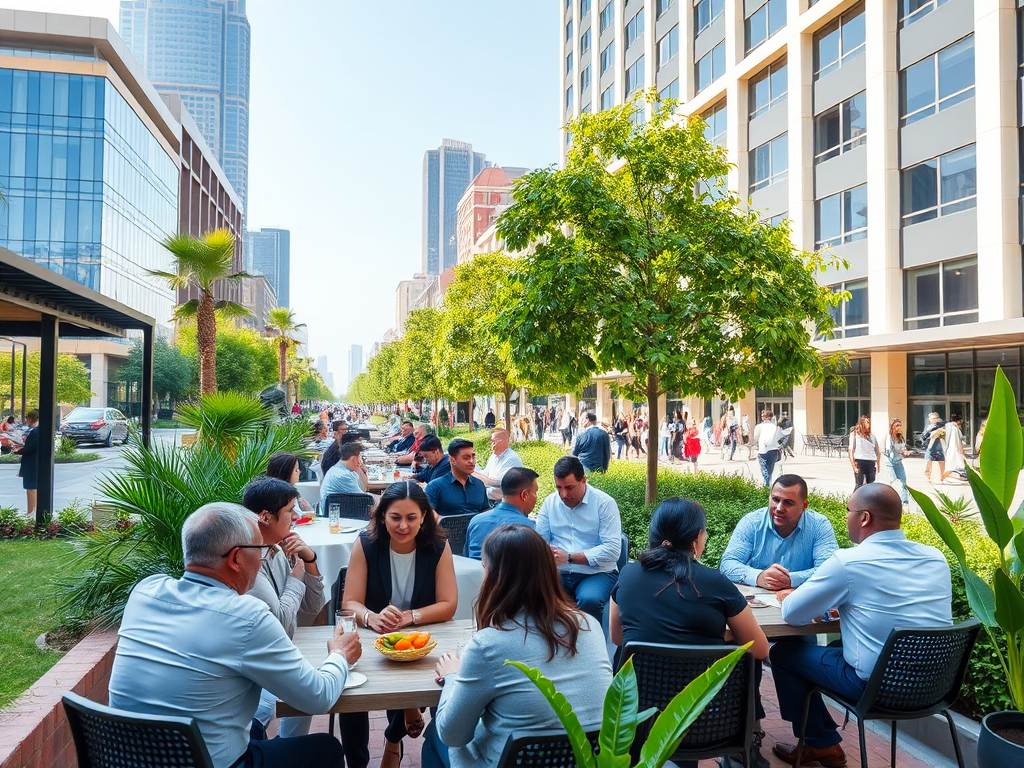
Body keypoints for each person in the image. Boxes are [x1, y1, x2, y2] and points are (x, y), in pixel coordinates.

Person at [107, 503, 360, 768]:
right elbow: (317, 697)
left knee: (255, 732)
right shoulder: (247, 617)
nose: (264, 557)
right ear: (236, 559)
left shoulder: (145, 591)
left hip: (128, 759)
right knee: (325, 748)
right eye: (261, 550)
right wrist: (339, 654)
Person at [770, 483, 952, 766]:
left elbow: (793, 614)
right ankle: (821, 737)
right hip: (937, 687)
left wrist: (789, 595)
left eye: (848, 511)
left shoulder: (849, 562)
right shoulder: (936, 558)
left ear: (865, 518)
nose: (846, 518)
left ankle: (821, 743)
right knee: (834, 646)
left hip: (877, 688)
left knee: (784, 654)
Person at [423, 525, 612, 768]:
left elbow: (452, 734)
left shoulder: (487, 645)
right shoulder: (589, 625)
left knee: (435, 733)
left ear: (492, 575)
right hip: (587, 762)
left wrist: (452, 676)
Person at [610, 499, 770, 768]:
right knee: (747, 658)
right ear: (696, 539)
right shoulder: (715, 581)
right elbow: (761, 649)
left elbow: (618, 638)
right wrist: (720, 639)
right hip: (705, 720)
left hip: (638, 718)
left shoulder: (628, 575)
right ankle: (745, 747)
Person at [341, 481, 458, 768]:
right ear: (382, 516)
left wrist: (410, 617)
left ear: (424, 518)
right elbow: (350, 602)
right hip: (375, 636)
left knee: (437, 675)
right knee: (349, 690)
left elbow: (448, 604)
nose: (403, 526)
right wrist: (371, 617)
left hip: (421, 637)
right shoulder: (366, 543)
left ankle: (394, 737)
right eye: (395, 517)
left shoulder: (438, 546)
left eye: (411, 518)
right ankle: (361, 759)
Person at [243, 478, 325, 739]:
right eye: (290, 510)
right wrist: (295, 579)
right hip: (254, 665)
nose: (296, 516)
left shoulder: (277, 551)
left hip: (275, 654)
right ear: (266, 517)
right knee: (307, 688)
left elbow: (312, 607)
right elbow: (280, 624)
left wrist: (309, 560)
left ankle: (285, 745)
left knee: (308, 685)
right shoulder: (250, 560)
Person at [719, 474, 839, 590]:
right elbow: (727, 564)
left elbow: (830, 571)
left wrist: (791, 579)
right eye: (776, 500)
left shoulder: (819, 526)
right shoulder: (751, 522)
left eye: (788, 503)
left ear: (804, 505)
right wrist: (758, 576)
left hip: (800, 603)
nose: (779, 508)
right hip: (755, 604)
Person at [536, 456, 622, 619]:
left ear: (583, 480)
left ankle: (589, 642)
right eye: (559, 487)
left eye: (569, 487)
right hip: (558, 571)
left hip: (596, 572)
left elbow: (612, 551)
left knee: (589, 599)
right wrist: (546, 551)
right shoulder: (549, 502)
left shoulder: (604, 503)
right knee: (532, 593)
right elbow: (540, 541)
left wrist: (569, 558)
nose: (563, 494)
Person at [466, 467, 539, 560]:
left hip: (475, 574)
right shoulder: (529, 528)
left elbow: (467, 556)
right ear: (524, 495)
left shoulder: (476, 521)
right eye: (535, 493)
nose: (536, 498)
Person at [425, 438, 490, 517]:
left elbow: (485, 511)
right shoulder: (435, 487)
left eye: (473, 457)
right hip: (447, 528)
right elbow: (427, 514)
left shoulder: (479, 485)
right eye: (466, 458)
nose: (472, 461)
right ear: (452, 460)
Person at [472, 429, 523, 501]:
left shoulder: (512, 459)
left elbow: (496, 483)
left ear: (502, 442)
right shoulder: (494, 456)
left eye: (493, 442)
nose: (491, 445)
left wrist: (471, 472)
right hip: (493, 496)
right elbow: (485, 474)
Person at [14, 409, 39, 521]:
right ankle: (33, 512)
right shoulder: (40, 430)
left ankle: (31, 514)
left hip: (31, 462)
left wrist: (17, 450)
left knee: (30, 487)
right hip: (37, 462)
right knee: (34, 487)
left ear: (30, 419)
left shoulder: (34, 432)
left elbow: (30, 448)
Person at [882, 418, 911, 505]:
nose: (899, 427)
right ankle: (892, 501)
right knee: (893, 482)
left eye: (900, 425)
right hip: (890, 463)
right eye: (897, 425)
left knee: (903, 481)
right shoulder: (889, 437)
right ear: (892, 427)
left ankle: (905, 501)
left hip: (898, 462)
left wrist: (905, 452)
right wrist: (900, 452)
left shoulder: (900, 437)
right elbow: (888, 451)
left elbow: (904, 448)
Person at [847, 416, 881, 488]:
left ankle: (869, 499)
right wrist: (854, 466)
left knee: (870, 485)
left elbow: (878, 451)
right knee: (859, 485)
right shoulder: (855, 434)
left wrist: (878, 464)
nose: (868, 424)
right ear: (861, 424)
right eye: (866, 422)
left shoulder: (872, 436)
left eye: (869, 422)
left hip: (871, 461)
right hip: (860, 461)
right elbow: (851, 450)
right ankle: (855, 499)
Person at [752, 410, 782, 486]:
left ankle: (767, 485)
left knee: (764, 468)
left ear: (766, 417)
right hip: (774, 450)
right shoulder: (775, 427)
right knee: (770, 469)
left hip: (763, 450)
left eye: (763, 415)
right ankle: (769, 483)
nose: (762, 417)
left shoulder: (759, 426)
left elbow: (755, 437)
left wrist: (755, 446)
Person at [942, 414, 967, 483]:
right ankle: (944, 476)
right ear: (959, 421)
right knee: (956, 464)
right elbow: (959, 440)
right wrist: (962, 450)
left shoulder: (948, 426)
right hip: (955, 449)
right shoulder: (956, 428)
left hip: (950, 448)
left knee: (950, 464)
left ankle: (944, 477)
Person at [922, 411, 946, 484]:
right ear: (929, 419)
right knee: (928, 462)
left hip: (939, 445)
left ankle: (942, 477)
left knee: (941, 462)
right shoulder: (929, 427)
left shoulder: (942, 426)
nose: (934, 420)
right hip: (930, 446)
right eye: (932, 418)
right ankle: (928, 476)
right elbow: (925, 436)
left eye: (935, 418)